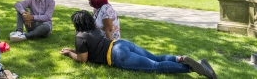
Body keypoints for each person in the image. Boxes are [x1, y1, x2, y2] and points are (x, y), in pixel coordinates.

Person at [60, 10, 217, 79]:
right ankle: (180, 59)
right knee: (156, 58)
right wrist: (74, 49)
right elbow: (89, 49)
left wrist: (69, 53)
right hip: (121, 44)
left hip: (117, 56)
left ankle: (200, 70)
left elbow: (82, 59)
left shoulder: (80, 36)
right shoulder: (95, 29)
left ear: (77, 24)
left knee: (155, 66)